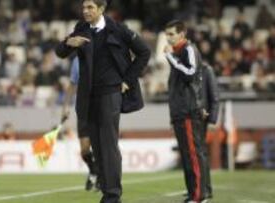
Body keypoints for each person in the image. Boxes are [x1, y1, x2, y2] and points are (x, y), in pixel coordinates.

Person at [55, 0, 150, 202]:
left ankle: (113, 196)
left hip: (110, 94)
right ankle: (108, 193)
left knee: (108, 145)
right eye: (83, 7)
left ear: (101, 9)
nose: (85, 11)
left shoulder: (119, 30)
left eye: (90, 7)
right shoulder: (80, 29)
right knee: (97, 148)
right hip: (88, 97)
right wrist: (66, 44)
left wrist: (127, 80)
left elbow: (144, 52)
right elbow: (60, 52)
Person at [164, 20, 209, 203]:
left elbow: (190, 74)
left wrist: (171, 58)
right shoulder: (178, 52)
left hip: (189, 111)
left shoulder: (188, 49)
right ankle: (193, 194)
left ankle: (199, 196)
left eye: (171, 34)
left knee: (193, 154)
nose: (168, 38)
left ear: (182, 34)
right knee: (186, 155)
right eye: (167, 34)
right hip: (180, 112)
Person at [62, 57, 100, 191]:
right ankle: (94, 171)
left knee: (99, 147)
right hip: (83, 108)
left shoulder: (100, 54)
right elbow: (72, 84)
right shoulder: (77, 60)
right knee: (84, 149)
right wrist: (65, 106)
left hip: (99, 106)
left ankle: (102, 177)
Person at [201, 62, 220, 200]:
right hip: (192, 116)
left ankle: (206, 188)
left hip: (203, 118)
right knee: (195, 156)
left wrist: (213, 120)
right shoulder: (191, 70)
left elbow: (214, 96)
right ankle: (197, 188)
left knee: (201, 154)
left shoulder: (207, 69)